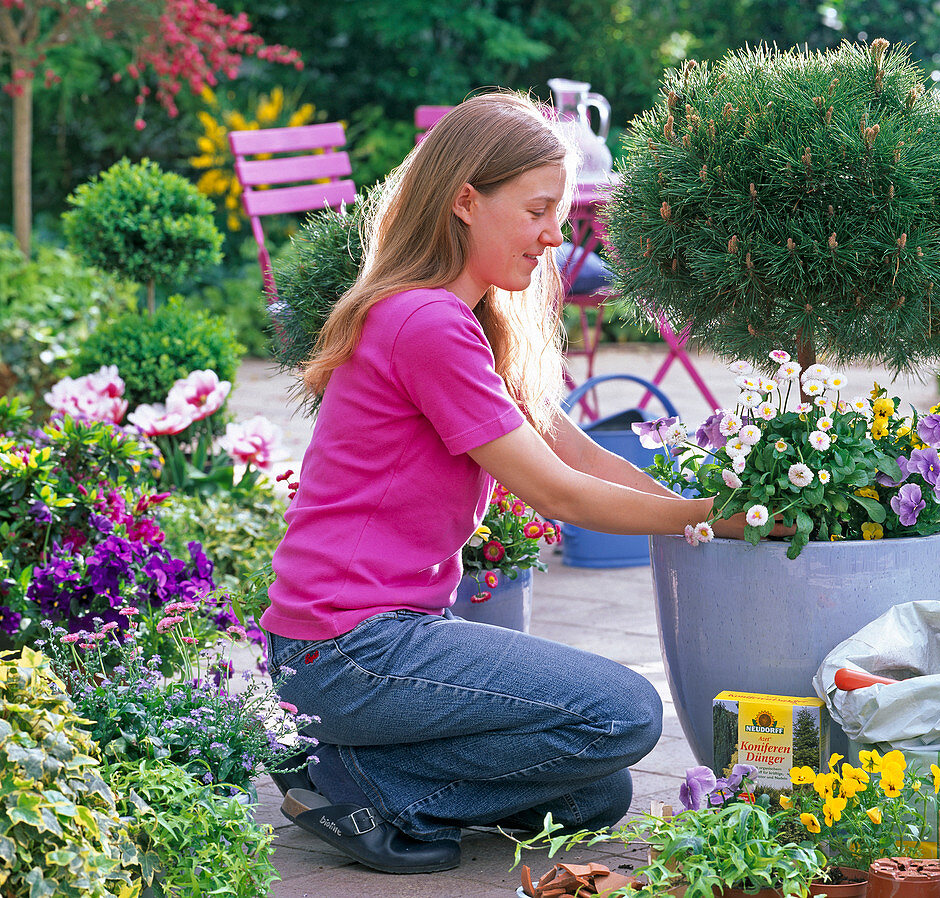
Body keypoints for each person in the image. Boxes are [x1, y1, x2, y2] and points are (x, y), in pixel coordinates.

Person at [261, 90, 775, 875]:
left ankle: (371, 776)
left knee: (593, 794)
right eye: (539, 210)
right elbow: (559, 496)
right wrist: (719, 519)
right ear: (466, 199)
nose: (554, 236)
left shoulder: (463, 322)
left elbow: (578, 456)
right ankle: (350, 779)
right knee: (623, 714)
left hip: (369, 646)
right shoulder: (423, 323)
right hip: (345, 649)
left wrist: (698, 503)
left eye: (559, 215)